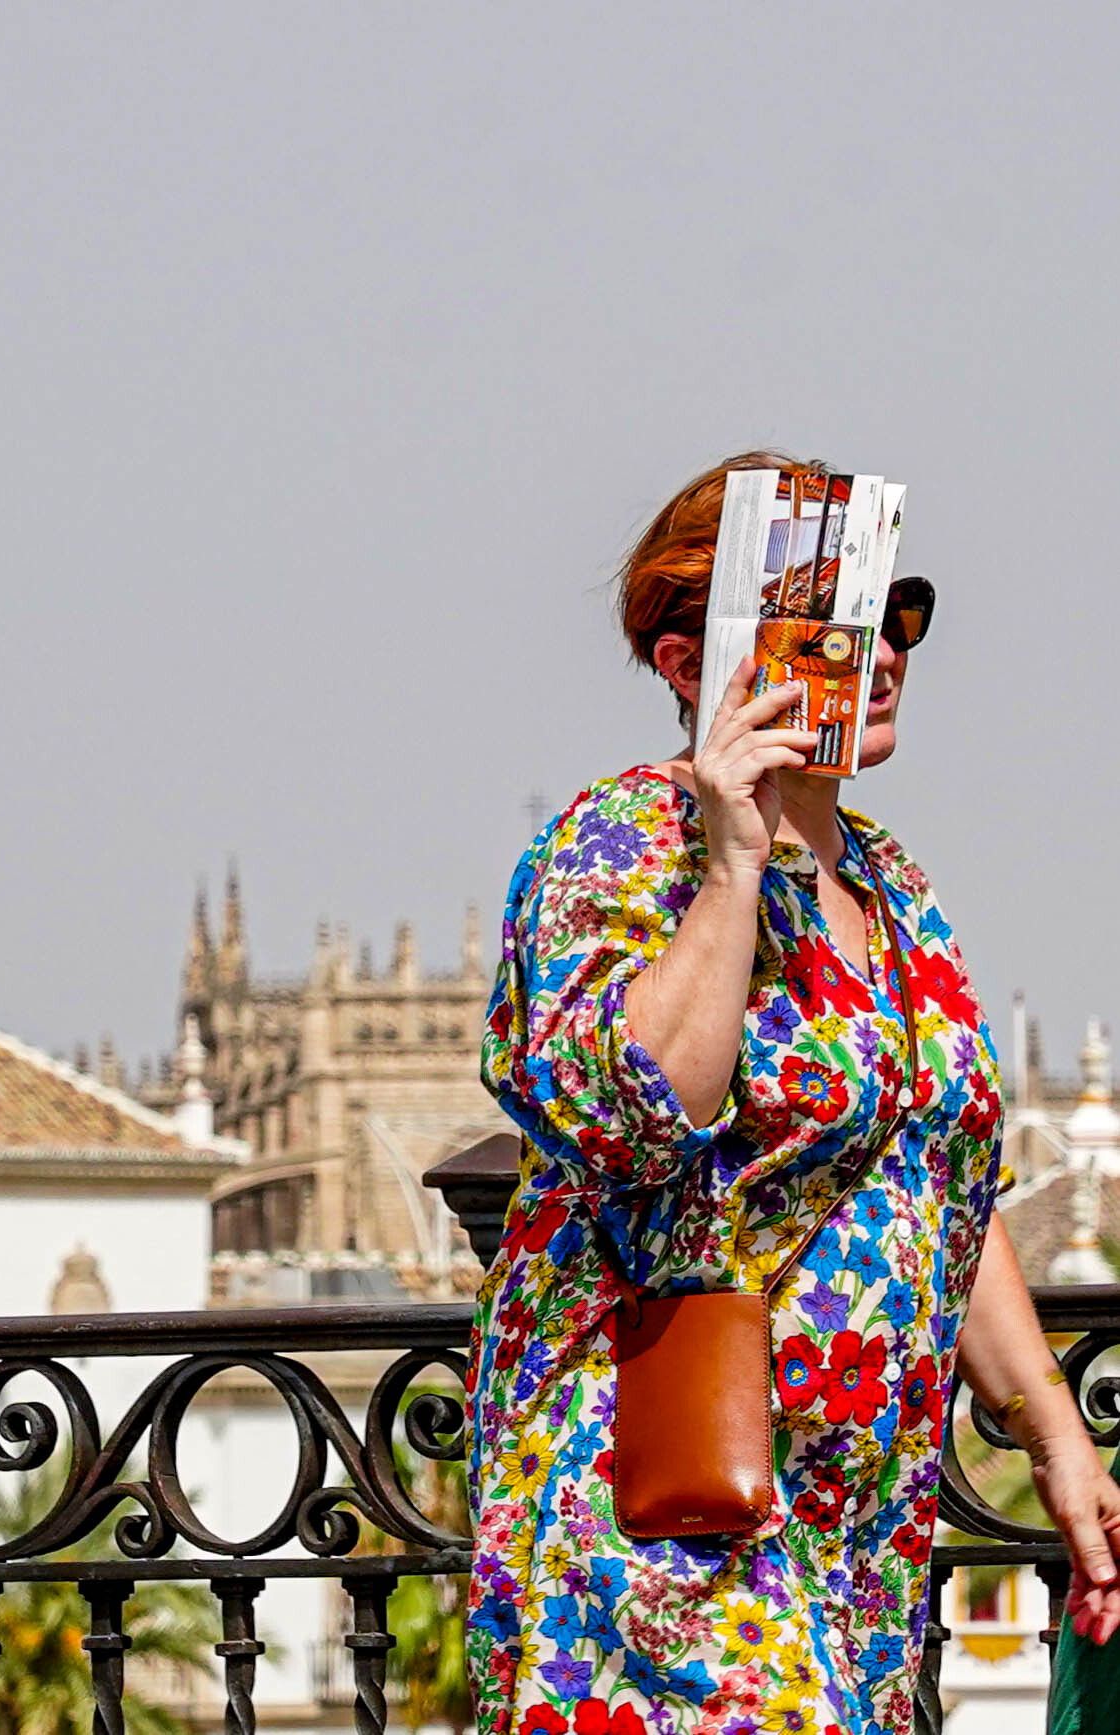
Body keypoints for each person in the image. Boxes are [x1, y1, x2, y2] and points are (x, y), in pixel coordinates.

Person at [465, 452, 1120, 1735]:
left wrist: (1050, 1433)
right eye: (838, 624)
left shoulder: (889, 882)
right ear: (684, 663)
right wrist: (730, 862)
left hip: (852, 1529)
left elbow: (937, 1178)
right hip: (663, 1513)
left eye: (901, 613)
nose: (883, 653)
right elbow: (633, 1109)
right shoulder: (620, 841)